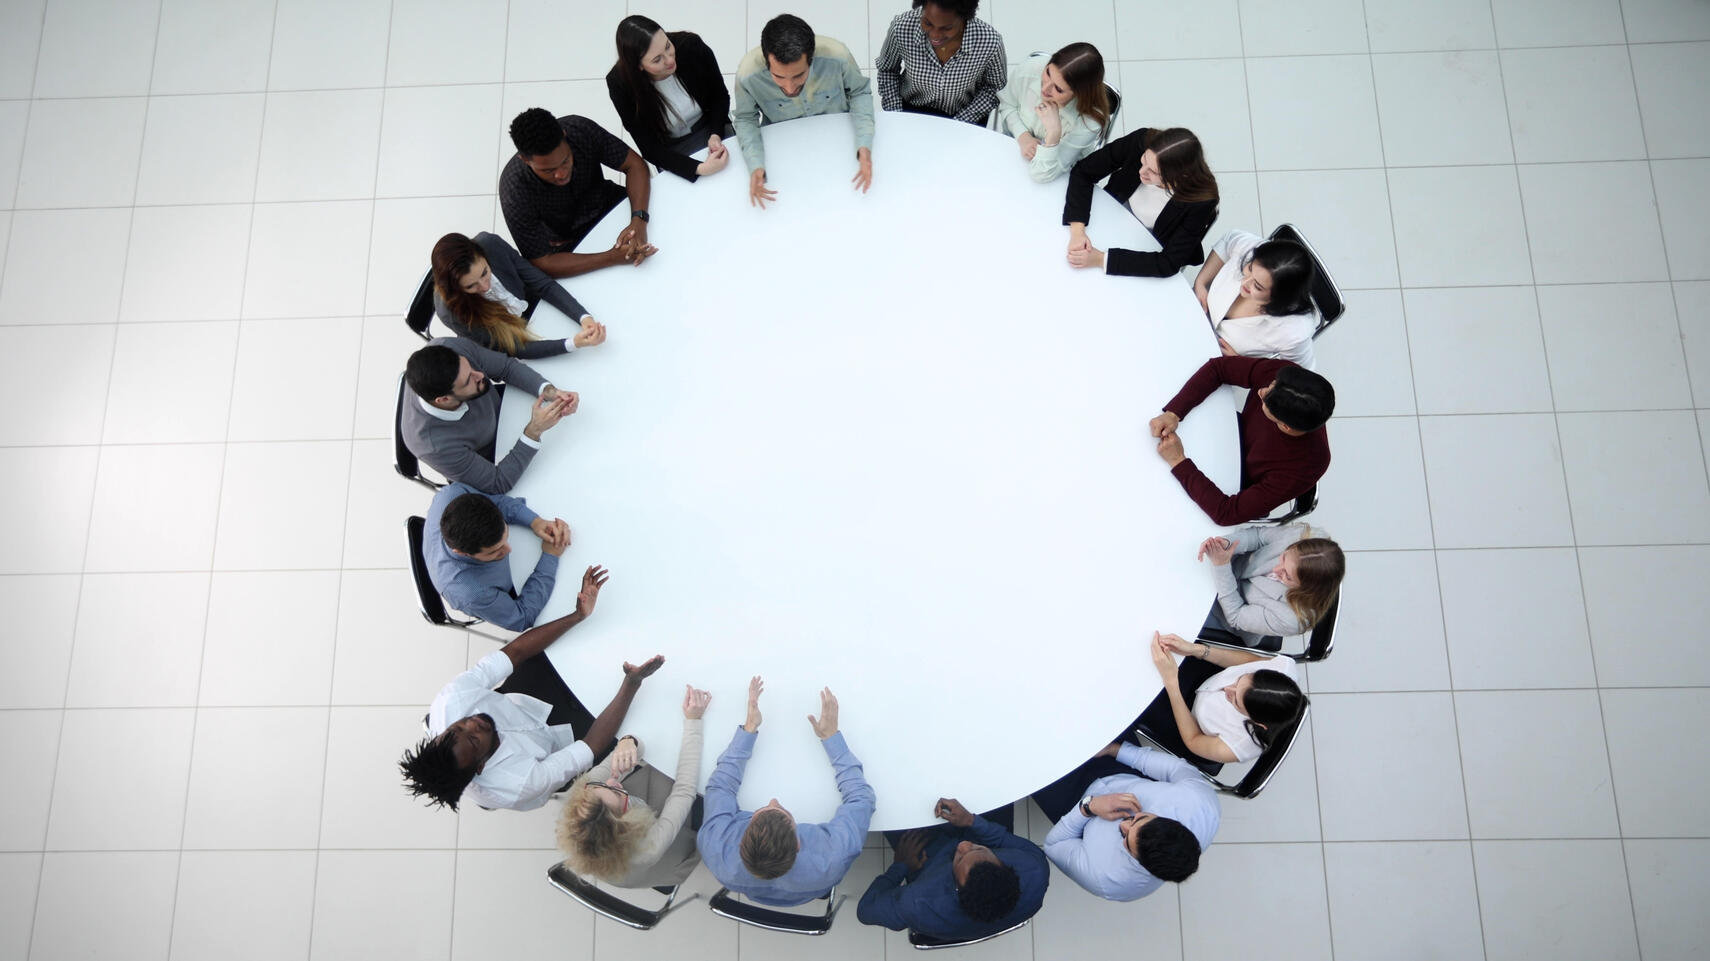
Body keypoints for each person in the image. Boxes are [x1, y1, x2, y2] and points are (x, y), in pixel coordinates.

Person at [399, 566, 667, 812]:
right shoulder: (519, 784)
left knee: (573, 649)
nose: (472, 723)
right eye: (473, 739)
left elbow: (514, 652)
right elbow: (590, 745)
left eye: (457, 727)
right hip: (561, 747)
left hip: (524, 699)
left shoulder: (451, 704)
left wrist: (577, 616)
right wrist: (631, 683)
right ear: (480, 766)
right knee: (637, 722)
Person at [696, 678, 875, 906]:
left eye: (762, 810)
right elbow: (861, 797)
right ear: (798, 844)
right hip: (809, 888)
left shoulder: (715, 847)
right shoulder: (833, 858)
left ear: (741, 840)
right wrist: (831, 738)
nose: (773, 800)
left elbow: (721, 786)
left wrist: (749, 728)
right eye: (781, 811)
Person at [557, 684, 711, 889]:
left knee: (659, 767)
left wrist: (628, 742)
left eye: (601, 786)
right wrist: (694, 722)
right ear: (627, 822)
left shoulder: (584, 797)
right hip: (659, 858)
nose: (612, 781)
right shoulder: (647, 849)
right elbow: (684, 790)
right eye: (617, 793)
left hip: (618, 843)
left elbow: (634, 750)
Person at [1150, 357, 1334, 526]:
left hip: (1229, 477)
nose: (1261, 390)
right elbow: (1219, 368)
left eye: (1264, 399)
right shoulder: (1286, 378)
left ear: (1285, 426)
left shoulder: (1306, 466)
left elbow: (1226, 513)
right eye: (1270, 384)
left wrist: (1178, 460)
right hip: (1221, 432)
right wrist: (1174, 412)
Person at [1031, 741, 1218, 902]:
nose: (1123, 824)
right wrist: (1115, 750)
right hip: (1120, 767)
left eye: (1126, 839)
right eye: (1137, 818)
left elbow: (1053, 845)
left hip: (1071, 800)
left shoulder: (1108, 880)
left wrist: (1088, 808)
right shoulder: (1200, 804)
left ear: (1141, 863)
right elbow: (1176, 769)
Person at [733, 14, 875, 209]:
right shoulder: (747, 75)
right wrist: (756, 165)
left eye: (799, 75)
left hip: (839, 143)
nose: (789, 88)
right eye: (779, 77)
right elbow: (745, 119)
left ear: (811, 58)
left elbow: (859, 92)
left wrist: (864, 145)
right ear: (767, 62)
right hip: (787, 154)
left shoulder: (837, 56)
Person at [856, 798, 1047, 942]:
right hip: (978, 832)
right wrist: (972, 821)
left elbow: (866, 910)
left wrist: (901, 865)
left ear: (957, 888)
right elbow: (1003, 839)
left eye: (961, 858)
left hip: (928, 861)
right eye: (978, 849)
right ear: (1003, 865)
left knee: (892, 799)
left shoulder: (919, 903)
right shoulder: (1033, 869)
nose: (964, 845)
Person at [400, 338, 576, 494]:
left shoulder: (448, 348)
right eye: (469, 380)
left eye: (470, 367)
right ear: (444, 399)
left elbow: (506, 367)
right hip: (494, 457)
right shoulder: (432, 446)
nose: (481, 375)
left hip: (506, 414)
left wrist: (549, 391)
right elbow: (498, 482)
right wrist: (534, 430)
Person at [499, 107, 658, 278]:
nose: (561, 174)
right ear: (525, 160)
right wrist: (611, 257)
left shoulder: (580, 130)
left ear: (564, 135)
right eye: (548, 170)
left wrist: (639, 220)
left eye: (565, 161)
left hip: (612, 204)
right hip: (570, 242)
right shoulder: (514, 191)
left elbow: (634, 165)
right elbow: (542, 262)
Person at [1063, 127, 1219, 277]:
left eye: (1153, 172)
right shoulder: (1141, 140)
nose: (1142, 171)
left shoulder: (1201, 200)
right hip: (1113, 211)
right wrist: (1077, 231)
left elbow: (1168, 262)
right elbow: (1083, 171)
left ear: (1179, 176)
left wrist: (1101, 259)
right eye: (1144, 159)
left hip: (1150, 242)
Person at [430, 232, 608, 360]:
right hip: (515, 337)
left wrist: (583, 317)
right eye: (471, 285)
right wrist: (572, 343)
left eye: (485, 272)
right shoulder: (452, 312)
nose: (485, 286)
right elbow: (514, 348)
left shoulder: (490, 244)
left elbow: (542, 284)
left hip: (538, 308)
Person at [1139, 632, 1306, 766]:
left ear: (1257, 722)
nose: (1227, 688)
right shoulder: (1283, 668)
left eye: (1236, 701)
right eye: (1240, 679)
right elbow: (1246, 661)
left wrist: (1171, 683)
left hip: (1192, 726)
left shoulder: (1237, 747)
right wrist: (1196, 650)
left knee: (1139, 695)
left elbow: (1193, 740)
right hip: (1206, 681)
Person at [422, 482, 571, 631]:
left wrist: (535, 522)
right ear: (463, 553)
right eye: (494, 551)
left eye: (506, 536)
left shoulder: (451, 494)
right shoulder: (473, 593)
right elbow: (522, 618)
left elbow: (497, 503)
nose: (508, 550)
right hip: (501, 593)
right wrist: (550, 555)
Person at [606, 16, 734, 183]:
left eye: (667, 46)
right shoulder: (620, 84)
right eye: (657, 59)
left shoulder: (691, 47)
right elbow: (649, 147)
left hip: (712, 126)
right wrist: (699, 169)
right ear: (639, 66)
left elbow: (720, 97)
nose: (670, 60)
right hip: (671, 150)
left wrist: (716, 134)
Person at [1198, 524, 1344, 648]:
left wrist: (1221, 566)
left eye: (1287, 576)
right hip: (1228, 562)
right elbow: (1258, 536)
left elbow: (1236, 616)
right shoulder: (1307, 536)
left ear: (1305, 590)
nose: (1275, 570)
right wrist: (1226, 544)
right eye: (1284, 557)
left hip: (1224, 610)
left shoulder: (1293, 619)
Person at [1192, 229, 1317, 367]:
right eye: (1250, 268)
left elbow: (1298, 374)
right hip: (1194, 314)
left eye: (1257, 286)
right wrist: (1201, 282)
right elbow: (1228, 240)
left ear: (1278, 298)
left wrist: (1244, 365)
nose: (1244, 283)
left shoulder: (1294, 332)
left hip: (1215, 361)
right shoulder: (1251, 248)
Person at [874, 0, 1007, 126]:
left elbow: (994, 87)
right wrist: (897, 115)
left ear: (964, 18)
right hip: (910, 111)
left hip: (965, 116)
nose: (935, 35)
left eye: (947, 28)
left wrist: (962, 121)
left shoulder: (990, 42)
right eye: (928, 23)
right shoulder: (902, 27)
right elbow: (887, 70)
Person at [992, 43, 1109, 183]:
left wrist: (1053, 134)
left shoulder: (1090, 121)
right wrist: (1023, 136)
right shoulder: (1030, 68)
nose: (1045, 88)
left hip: (1056, 174)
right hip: (1013, 146)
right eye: (1048, 73)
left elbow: (1041, 174)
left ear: (1079, 94)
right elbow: (1007, 103)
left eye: (1059, 89)